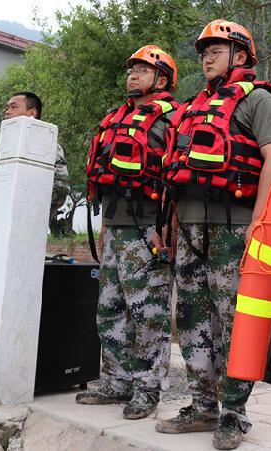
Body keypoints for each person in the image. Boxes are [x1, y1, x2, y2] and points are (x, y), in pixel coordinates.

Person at [155, 20, 271, 450]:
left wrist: (262, 220)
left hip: (235, 226)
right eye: (204, 51)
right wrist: (172, 228)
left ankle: (234, 413)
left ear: (242, 55)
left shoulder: (260, 101)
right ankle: (202, 406)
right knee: (193, 318)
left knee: (235, 320)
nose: (207, 56)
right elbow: (178, 176)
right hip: (191, 227)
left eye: (217, 49)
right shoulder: (194, 107)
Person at [76, 45, 179, 420]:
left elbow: (175, 178)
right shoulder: (115, 118)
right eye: (131, 70)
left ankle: (147, 387)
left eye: (142, 70)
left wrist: (167, 229)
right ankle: (116, 381)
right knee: (110, 308)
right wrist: (104, 227)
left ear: (162, 79)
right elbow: (109, 182)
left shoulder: (172, 120)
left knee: (148, 312)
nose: (132, 75)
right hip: (116, 227)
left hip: (148, 229)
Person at [4, 92, 70, 226]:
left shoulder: (46, 144)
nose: (7, 112)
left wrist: (32, 210)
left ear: (32, 113)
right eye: (7, 107)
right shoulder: (9, 145)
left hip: (29, 221)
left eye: (13, 107)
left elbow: (60, 188)